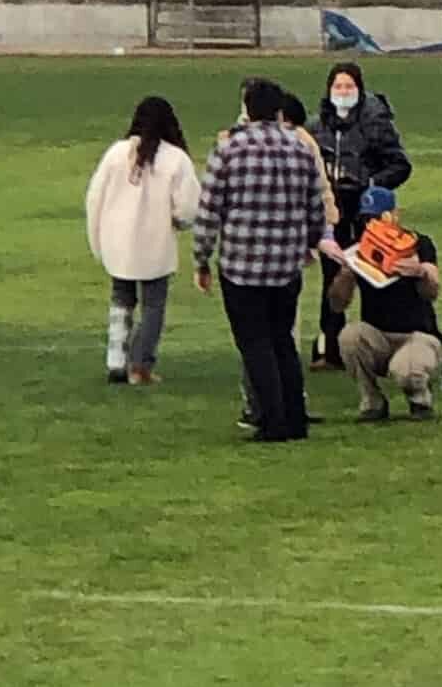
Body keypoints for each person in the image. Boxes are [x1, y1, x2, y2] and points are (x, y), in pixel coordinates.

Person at [193, 76, 340, 443]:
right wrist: (309, 243)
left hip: (242, 265)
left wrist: (201, 258)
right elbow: (314, 206)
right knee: (282, 341)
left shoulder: (229, 150)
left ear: (247, 108)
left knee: (254, 343)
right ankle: (295, 417)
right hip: (286, 263)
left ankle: (271, 420)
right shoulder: (300, 148)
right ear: (278, 110)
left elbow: (210, 209)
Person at [85, 96, 202, 386]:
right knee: (153, 305)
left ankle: (116, 359)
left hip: (117, 241)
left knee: (121, 298)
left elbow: (94, 198)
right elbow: (189, 206)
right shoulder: (175, 159)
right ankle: (140, 365)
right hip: (156, 243)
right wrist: (179, 222)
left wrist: (98, 236)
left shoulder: (116, 153)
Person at [305, 65, 412, 371]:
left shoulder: (376, 124)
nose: (342, 92)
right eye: (337, 86)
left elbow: (400, 165)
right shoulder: (316, 126)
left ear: (360, 90)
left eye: (348, 86)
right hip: (332, 208)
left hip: (367, 211)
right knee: (332, 277)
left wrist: (371, 184)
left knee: (371, 275)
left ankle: (373, 344)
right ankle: (330, 348)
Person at [326, 186, 442, 423]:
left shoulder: (418, 244)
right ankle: (372, 402)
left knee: (406, 371)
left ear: (394, 214)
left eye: (379, 217)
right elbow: (337, 305)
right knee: (350, 336)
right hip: (378, 335)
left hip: (417, 335)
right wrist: (345, 276)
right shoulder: (357, 250)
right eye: (367, 219)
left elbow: (432, 292)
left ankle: (420, 399)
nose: (373, 224)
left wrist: (420, 272)